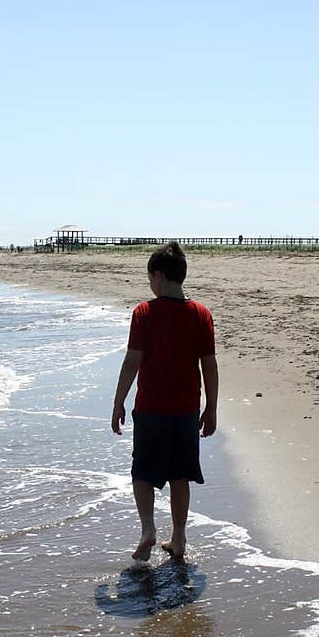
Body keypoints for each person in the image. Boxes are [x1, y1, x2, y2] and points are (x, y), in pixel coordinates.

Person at [111, 241, 218, 562]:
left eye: (149, 277)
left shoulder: (144, 313)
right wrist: (211, 408)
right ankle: (179, 538)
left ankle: (147, 529)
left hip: (150, 409)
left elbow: (132, 362)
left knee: (142, 473)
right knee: (180, 475)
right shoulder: (201, 314)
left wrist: (118, 402)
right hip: (185, 410)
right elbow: (209, 365)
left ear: (157, 276)